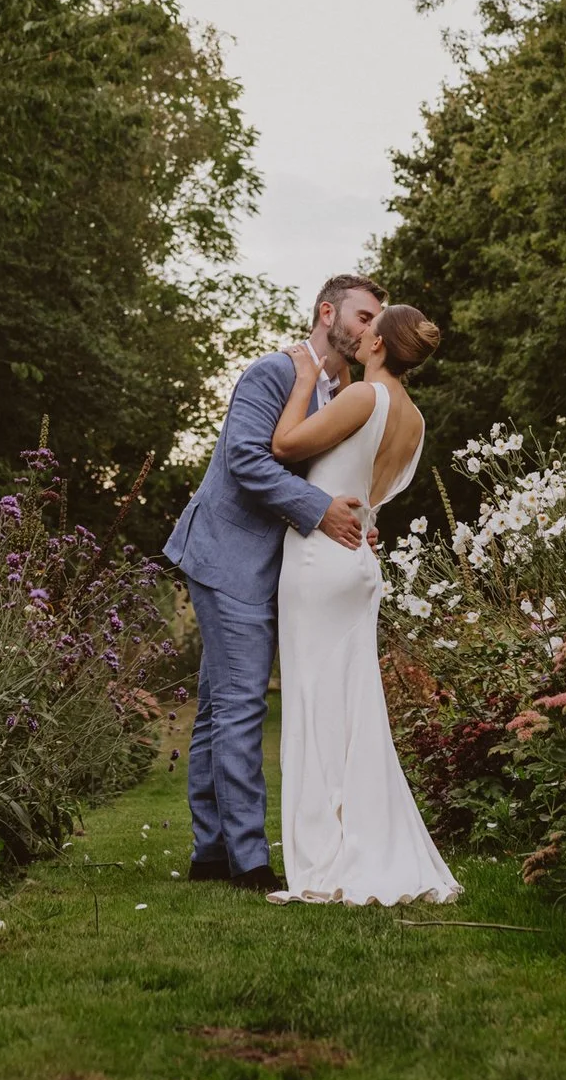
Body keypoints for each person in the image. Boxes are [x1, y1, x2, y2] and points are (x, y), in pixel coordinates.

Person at [163, 273, 382, 892]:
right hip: (229, 555)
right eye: (363, 317)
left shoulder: (341, 392)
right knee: (241, 706)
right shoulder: (273, 373)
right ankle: (250, 862)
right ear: (326, 313)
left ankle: (212, 854)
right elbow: (247, 461)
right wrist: (320, 511)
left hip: (270, 564)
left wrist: (355, 518)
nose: (372, 331)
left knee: (216, 710)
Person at [261, 301, 460, 905]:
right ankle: (367, 842)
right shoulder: (415, 420)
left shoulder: (364, 398)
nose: (361, 333)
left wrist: (301, 382)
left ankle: (324, 857)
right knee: (354, 708)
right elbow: (370, 494)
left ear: (378, 345)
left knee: (313, 703)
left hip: (321, 561)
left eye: (369, 327)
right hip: (360, 562)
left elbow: (285, 445)